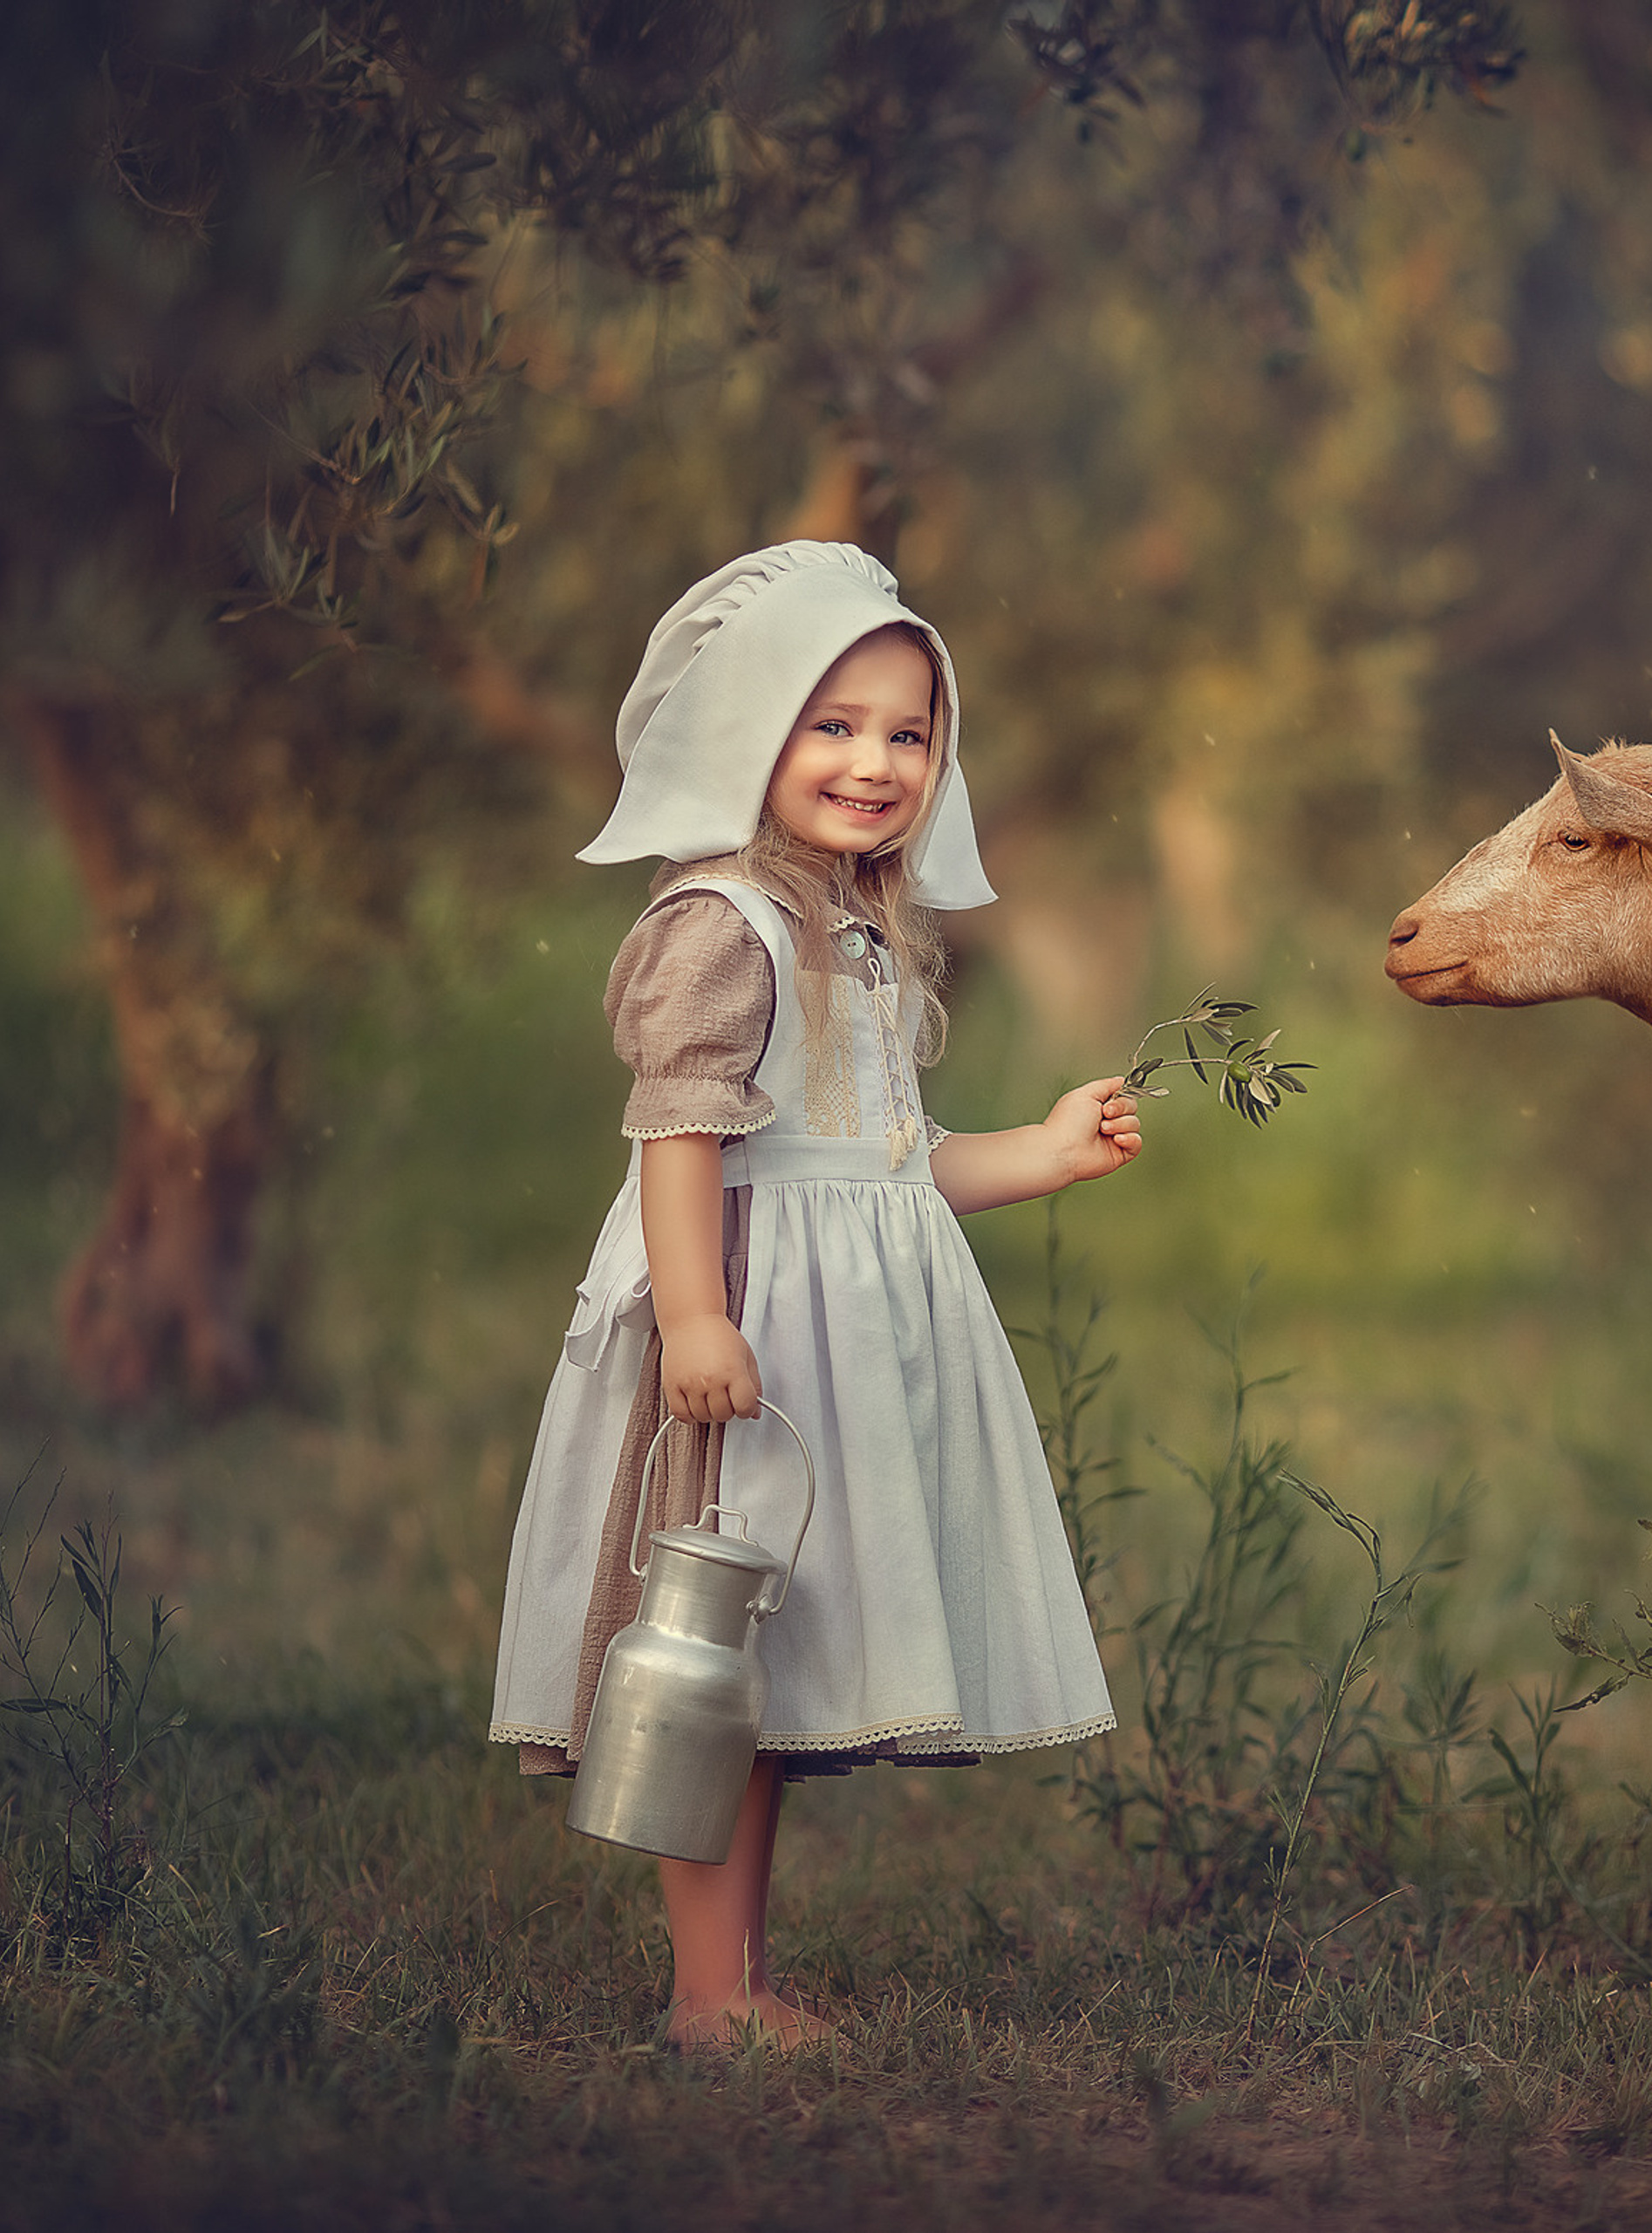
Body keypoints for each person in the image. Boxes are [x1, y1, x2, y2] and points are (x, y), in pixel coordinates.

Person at [488, 542, 1137, 2050]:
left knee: (761, 1675)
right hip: (753, 1330)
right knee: (709, 1646)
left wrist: (1041, 1153)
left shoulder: (861, 928)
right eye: (831, 725)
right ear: (753, 733)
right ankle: (707, 1999)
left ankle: (736, 1985)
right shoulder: (726, 923)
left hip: (841, 1346)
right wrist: (696, 1316)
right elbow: (680, 1137)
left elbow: (887, 1165)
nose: (875, 762)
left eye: (908, 733)